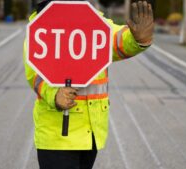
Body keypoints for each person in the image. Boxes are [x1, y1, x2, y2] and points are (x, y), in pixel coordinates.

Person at [23, 0, 154, 168]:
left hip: (90, 134)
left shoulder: (92, 21)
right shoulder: (41, 25)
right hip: (57, 136)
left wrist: (138, 38)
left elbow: (116, 40)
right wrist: (55, 95)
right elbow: (34, 75)